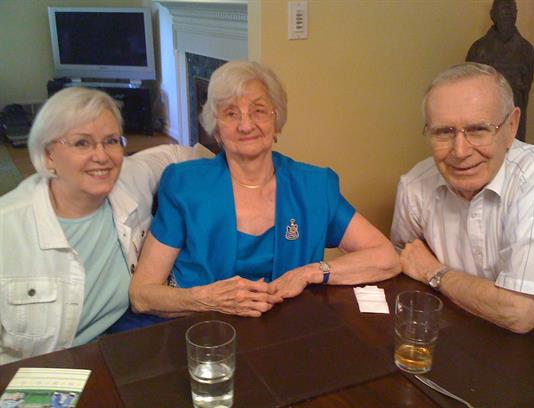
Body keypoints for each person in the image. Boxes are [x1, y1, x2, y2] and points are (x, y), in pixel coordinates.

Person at [129, 60, 400, 318]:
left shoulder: (314, 186)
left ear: (276, 121)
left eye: (258, 111)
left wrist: (310, 272)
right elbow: (142, 294)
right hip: (206, 332)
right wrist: (207, 299)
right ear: (217, 130)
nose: (246, 125)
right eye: (231, 113)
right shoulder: (184, 185)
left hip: (290, 330)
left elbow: (386, 257)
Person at [0, 87, 212, 364]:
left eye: (111, 141)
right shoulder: (8, 226)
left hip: (118, 350)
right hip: (38, 371)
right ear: (49, 154)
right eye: (82, 143)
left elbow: (179, 154)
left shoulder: (129, 178)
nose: (102, 156)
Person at [391, 62, 534, 334]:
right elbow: (404, 262)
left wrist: (435, 272)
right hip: (456, 322)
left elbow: (520, 313)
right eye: (444, 132)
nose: (460, 152)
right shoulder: (415, 185)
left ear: (511, 126)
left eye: (478, 129)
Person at [466, 0, 534, 141]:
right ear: (493, 14)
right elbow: (469, 85)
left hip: (513, 111)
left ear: (516, 14)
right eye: (502, 11)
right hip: (484, 110)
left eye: (510, 11)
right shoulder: (478, 49)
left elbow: (526, 85)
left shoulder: (525, 49)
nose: (506, 15)